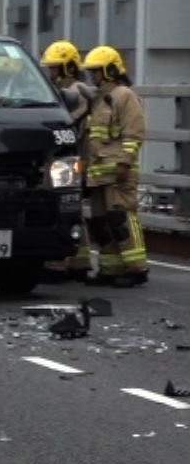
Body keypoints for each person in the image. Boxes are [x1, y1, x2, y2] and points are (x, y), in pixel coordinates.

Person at [81, 45, 148, 288]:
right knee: (101, 222)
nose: (93, 76)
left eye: (97, 71)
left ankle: (137, 268)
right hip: (98, 174)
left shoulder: (124, 96)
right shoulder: (99, 98)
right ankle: (110, 269)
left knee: (121, 219)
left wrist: (124, 164)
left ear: (110, 70)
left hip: (118, 172)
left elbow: (134, 133)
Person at [39, 40, 95, 281]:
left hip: (73, 155)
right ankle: (76, 262)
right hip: (67, 155)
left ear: (67, 67)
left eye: (54, 67)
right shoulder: (56, 89)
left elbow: (70, 120)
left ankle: (69, 263)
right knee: (68, 208)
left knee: (68, 208)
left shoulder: (79, 91)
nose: (50, 72)